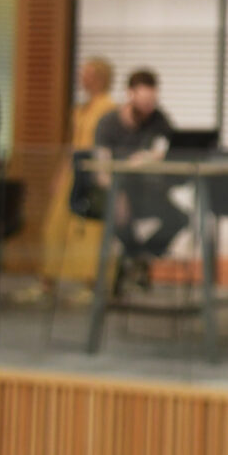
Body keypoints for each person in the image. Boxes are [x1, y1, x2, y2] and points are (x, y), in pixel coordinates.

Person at [14, 56, 119, 307]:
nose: (82, 78)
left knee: (90, 232)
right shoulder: (80, 108)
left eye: (87, 73)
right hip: (74, 172)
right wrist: (60, 174)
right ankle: (46, 282)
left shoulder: (109, 108)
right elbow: (72, 145)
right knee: (55, 227)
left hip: (94, 174)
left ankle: (94, 284)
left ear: (100, 77)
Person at [92, 68, 185, 289]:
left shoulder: (158, 118)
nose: (148, 107)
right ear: (130, 94)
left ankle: (138, 259)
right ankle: (134, 262)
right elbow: (100, 168)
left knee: (180, 219)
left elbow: (174, 148)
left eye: (152, 101)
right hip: (113, 190)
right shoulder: (108, 123)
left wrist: (156, 156)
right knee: (121, 216)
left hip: (145, 189)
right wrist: (116, 192)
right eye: (144, 101)